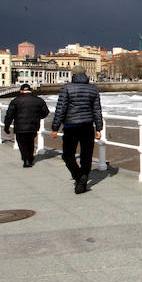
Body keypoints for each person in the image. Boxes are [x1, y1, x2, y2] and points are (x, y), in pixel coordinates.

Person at [49, 65, 103, 194]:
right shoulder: (93, 89)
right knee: (86, 155)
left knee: (68, 155)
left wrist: (55, 128)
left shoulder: (66, 88)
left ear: (72, 75)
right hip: (88, 126)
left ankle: (78, 176)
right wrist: (99, 128)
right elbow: (97, 110)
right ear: (85, 74)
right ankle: (83, 176)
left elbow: (60, 109)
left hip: (71, 126)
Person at [3, 83, 49, 168]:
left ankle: (26, 160)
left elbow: (9, 115)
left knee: (22, 143)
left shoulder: (16, 101)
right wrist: (38, 117)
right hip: (33, 126)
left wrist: (6, 126)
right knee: (30, 142)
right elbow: (46, 112)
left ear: (21, 91)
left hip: (20, 127)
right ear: (30, 90)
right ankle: (30, 158)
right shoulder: (39, 100)